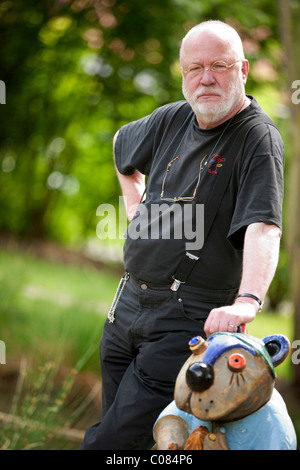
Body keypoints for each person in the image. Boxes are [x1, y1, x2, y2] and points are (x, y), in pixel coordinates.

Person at [80, 20, 284, 450]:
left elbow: (264, 226)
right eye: (195, 68)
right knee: (137, 444)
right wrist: (136, 211)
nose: (205, 77)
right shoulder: (173, 117)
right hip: (125, 309)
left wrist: (247, 300)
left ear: (243, 70)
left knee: (111, 443)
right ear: (183, 73)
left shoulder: (257, 138)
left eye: (219, 65)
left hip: (185, 322)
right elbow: (122, 144)